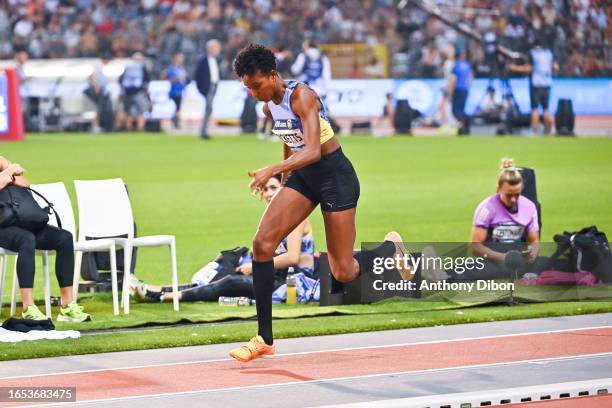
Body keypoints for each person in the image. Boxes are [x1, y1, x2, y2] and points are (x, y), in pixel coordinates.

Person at [228, 44, 409, 362]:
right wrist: (284, 183)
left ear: (273, 75)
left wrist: (272, 170)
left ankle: (388, 249)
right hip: (304, 178)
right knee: (262, 244)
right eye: (248, 88)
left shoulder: (302, 96)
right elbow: (289, 142)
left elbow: (312, 150)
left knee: (343, 271)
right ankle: (264, 339)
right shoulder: (269, 108)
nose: (254, 93)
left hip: (334, 177)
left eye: (256, 85)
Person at [129, 174, 315, 303]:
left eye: (273, 188)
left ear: (285, 189)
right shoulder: (273, 216)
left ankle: (164, 297)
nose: (267, 194)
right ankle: (155, 289)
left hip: (293, 283)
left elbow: (292, 257)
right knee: (224, 272)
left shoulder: (296, 216)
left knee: (231, 282)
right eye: (265, 189)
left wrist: (254, 266)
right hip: (273, 275)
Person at [0, 156, 91, 322]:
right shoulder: (6, 173)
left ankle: (67, 305)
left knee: (64, 238)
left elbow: (25, 184)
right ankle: (28, 308)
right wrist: (7, 174)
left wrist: (6, 166)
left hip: (22, 220)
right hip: (3, 227)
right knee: (26, 239)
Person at [448, 158, 541, 281]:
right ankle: (441, 273)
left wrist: (533, 252)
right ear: (499, 189)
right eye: (509, 195)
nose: (513, 199)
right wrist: (504, 257)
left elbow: (534, 241)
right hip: (493, 260)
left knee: (551, 264)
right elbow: (476, 247)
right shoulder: (487, 209)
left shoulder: (529, 206)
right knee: (485, 271)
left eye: (517, 194)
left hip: (519, 259)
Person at [509, 36, 558, 134]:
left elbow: (528, 69)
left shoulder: (533, 53)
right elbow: (556, 67)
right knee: (546, 109)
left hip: (536, 84)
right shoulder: (548, 53)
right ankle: (549, 130)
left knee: (535, 109)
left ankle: (534, 130)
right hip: (547, 84)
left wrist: (514, 68)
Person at [194, 39, 221, 140]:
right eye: (216, 48)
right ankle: (203, 132)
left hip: (214, 86)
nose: (218, 50)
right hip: (208, 87)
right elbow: (198, 76)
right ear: (211, 49)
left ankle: (204, 131)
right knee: (209, 108)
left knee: (209, 109)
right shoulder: (203, 60)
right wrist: (202, 89)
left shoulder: (216, 60)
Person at [119, 52, 150, 132]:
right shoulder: (142, 67)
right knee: (141, 111)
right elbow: (147, 80)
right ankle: (140, 129)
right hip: (139, 92)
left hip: (127, 93)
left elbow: (121, 80)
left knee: (128, 112)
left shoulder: (128, 67)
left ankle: (128, 129)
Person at [447, 48, 473, 135]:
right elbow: (471, 77)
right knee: (461, 109)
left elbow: (453, 80)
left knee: (455, 111)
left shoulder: (456, 66)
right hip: (465, 89)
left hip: (457, 90)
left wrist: (449, 93)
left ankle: (463, 126)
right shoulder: (467, 65)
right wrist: (468, 87)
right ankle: (464, 127)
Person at [165, 52, 189, 129]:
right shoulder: (172, 69)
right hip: (174, 91)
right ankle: (175, 121)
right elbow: (169, 79)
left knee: (178, 108)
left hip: (180, 91)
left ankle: (176, 121)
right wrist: (179, 78)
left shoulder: (182, 69)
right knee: (175, 108)